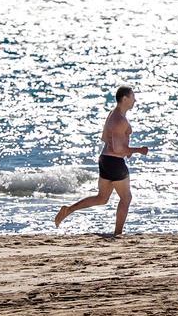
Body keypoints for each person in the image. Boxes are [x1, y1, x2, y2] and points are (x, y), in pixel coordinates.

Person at [55, 86, 148, 236]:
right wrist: (138, 150)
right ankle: (118, 233)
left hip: (105, 159)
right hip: (115, 162)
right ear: (125, 98)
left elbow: (106, 139)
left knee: (102, 198)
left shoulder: (113, 114)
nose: (135, 100)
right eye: (133, 97)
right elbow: (118, 150)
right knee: (126, 197)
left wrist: (125, 149)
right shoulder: (120, 120)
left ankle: (69, 209)